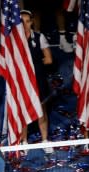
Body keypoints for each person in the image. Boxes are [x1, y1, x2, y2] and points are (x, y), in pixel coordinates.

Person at [20, 9, 54, 154]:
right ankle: (23, 142)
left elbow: (49, 59)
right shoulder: (14, 41)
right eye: (22, 22)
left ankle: (45, 140)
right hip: (22, 80)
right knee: (23, 111)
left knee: (41, 110)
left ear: (32, 22)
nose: (25, 25)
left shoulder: (39, 38)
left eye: (28, 21)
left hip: (38, 80)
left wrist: (32, 65)